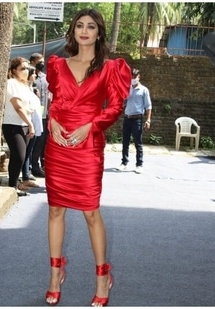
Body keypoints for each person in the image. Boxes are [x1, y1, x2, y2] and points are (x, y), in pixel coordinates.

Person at [44, 9, 130, 307]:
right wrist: (52, 120)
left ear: (98, 33)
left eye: (90, 26)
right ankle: (55, 276)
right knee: (55, 210)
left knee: (91, 212)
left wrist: (90, 126)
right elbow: (56, 102)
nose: (84, 30)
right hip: (58, 144)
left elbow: (115, 108)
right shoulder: (58, 64)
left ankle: (102, 277)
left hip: (87, 145)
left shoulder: (110, 68)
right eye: (79, 25)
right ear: (73, 31)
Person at [2, 57, 36, 196]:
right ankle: (12, 185)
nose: (26, 71)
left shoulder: (25, 86)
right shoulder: (11, 83)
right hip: (12, 124)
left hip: (24, 124)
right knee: (19, 156)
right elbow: (18, 107)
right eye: (22, 68)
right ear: (14, 70)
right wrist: (30, 124)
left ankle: (16, 184)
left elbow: (29, 105)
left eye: (27, 68)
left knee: (21, 157)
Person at [116, 68, 152, 174]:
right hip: (127, 118)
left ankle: (139, 164)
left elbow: (148, 106)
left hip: (137, 119)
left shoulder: (144, 90)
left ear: (139, 77)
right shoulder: (127, 89)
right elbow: (123, 102)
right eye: (131, 77)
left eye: (134, 77)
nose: (132, 79)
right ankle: (124, 162)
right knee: (125, 142)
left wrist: (148, 120)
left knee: (138, 142)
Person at [20, 65, 42, 188]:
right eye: (33, 74)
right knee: (25, 151)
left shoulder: (31, 88)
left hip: (34, 122)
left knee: (29, 150)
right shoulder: (23, 88)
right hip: (28, 122)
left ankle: (26, 176)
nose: (35, 76)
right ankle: (25, 176)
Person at [31, 55, 52, 178]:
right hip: (33, 114)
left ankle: (39, 165)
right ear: (33, 62)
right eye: (40, 62)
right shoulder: (30, 76)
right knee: (33, 141)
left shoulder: (45, 78)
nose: (42, 64)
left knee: (42, 141)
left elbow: (49, 94)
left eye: (43, 62)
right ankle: (31, 167)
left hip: (44, 114)